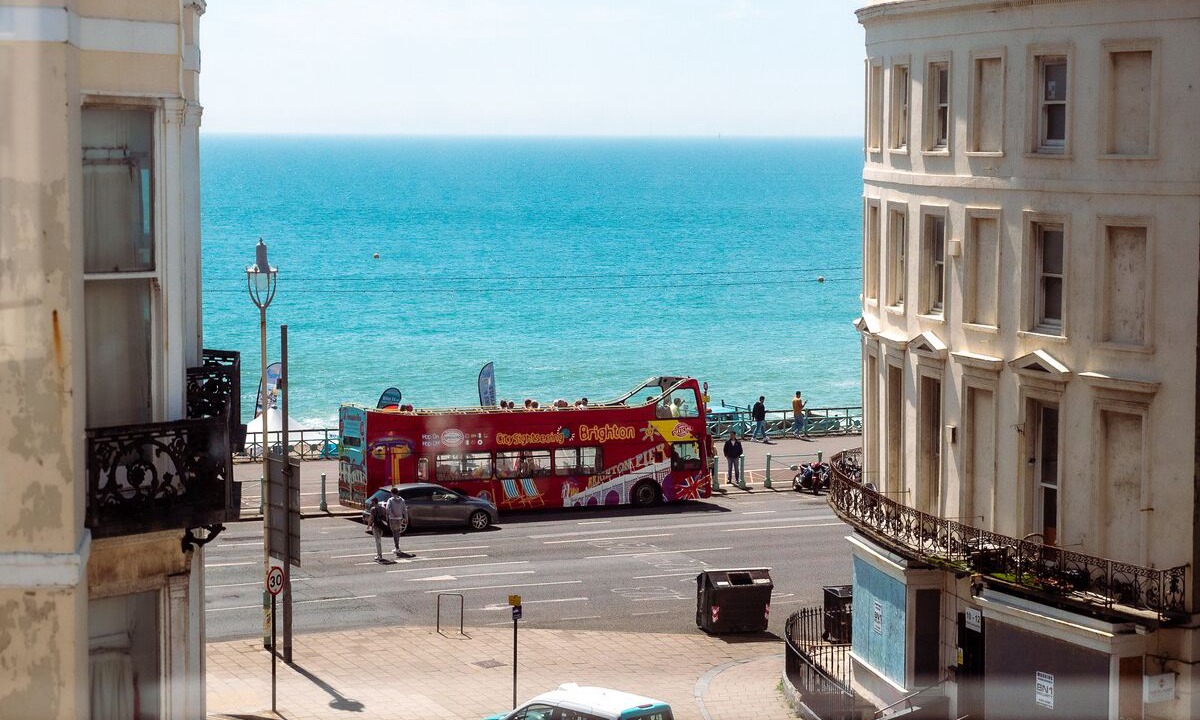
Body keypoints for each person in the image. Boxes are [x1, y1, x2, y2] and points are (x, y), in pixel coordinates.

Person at [385, 487, 409, 556]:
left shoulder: (390, 500)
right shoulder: (402, 500)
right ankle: (397, 546)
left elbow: (387, 509)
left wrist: (387, 515)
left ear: (392, 493)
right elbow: (405, 510)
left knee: (394, 532)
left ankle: (397, 547)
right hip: (399, 518)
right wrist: (406, 518)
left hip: (392, 518)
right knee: (398, 532)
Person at [368, 497, 387, 562]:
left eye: (372, 502)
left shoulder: (373, 509)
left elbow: (371, 518)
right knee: (379, 540)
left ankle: (380, 555)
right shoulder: (383, 508)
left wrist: (368, 525)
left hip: (375, 526)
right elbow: (386, 516)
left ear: (374, 502)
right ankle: (379, 554)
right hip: (382, 526)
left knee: (378, 542)